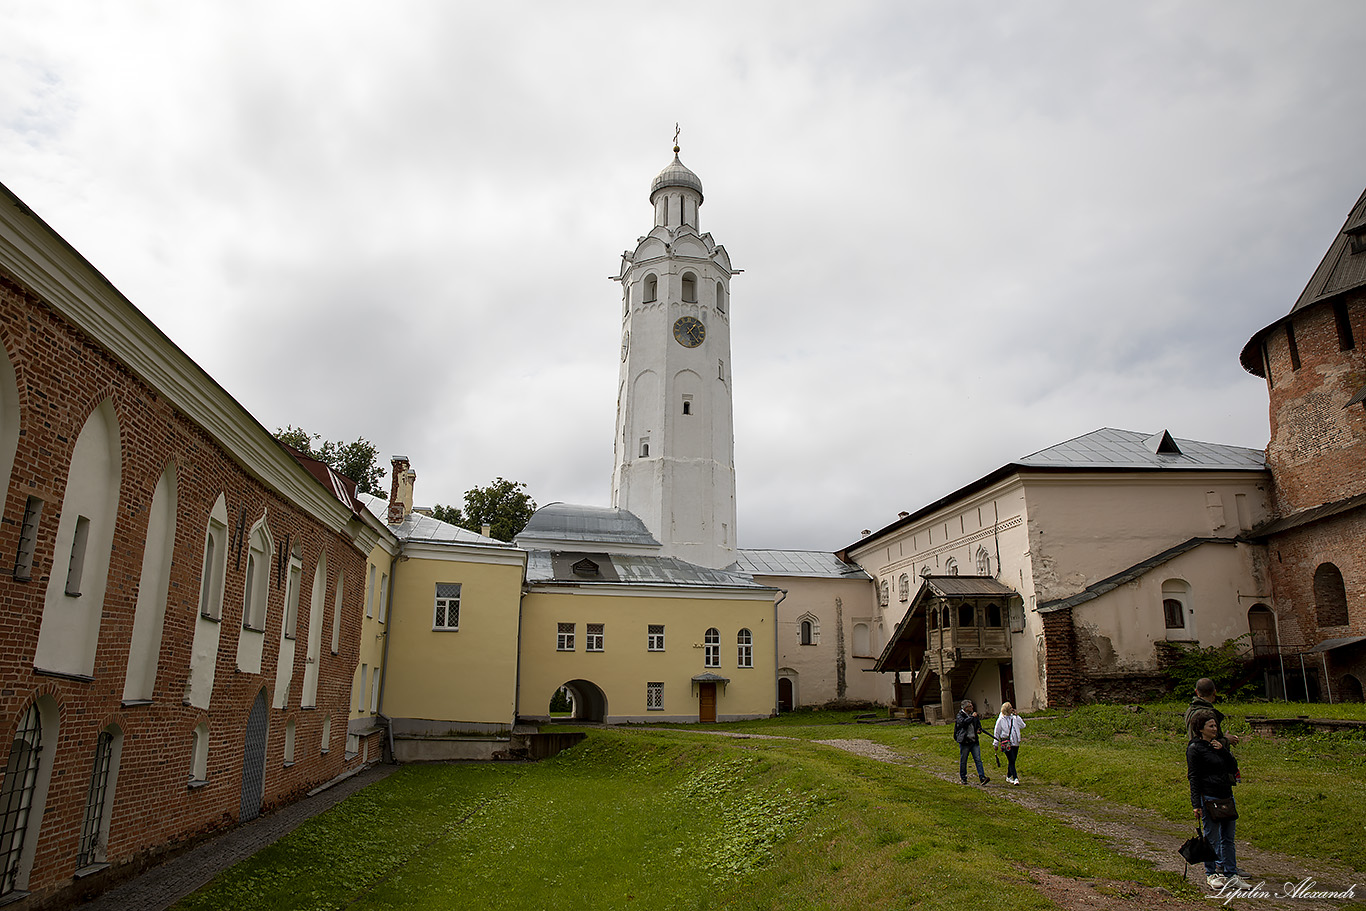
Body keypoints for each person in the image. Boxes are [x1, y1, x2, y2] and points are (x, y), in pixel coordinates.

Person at [1187, 709, 1249, 891]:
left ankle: (1231, 873)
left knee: (1228, 838)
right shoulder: (1194, 748)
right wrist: (1196, 804)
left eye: (1216, 725)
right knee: (1211, 837)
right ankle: (1211, 873)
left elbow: (1232, 766)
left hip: (1226, 794)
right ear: (1200, 728)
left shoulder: (1217, 746)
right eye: (1211, 726)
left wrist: (1223, 751)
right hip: (1208, 796)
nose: (1215, 729)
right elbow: (1193, 777)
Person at [1184, 678, 1240, 749]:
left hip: (1193, 753)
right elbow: (1211, 743)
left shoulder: (1190, 710)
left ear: (1196, 691)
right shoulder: (1207, 714)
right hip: (1206, 755)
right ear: (1214, 692)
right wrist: (1227, 740)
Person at [953, 699, 989, 785]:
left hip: (974, 741)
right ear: (965, 708)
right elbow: (963, 723)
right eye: (970, 706)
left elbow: (978, 724)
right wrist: (972, 717)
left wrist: (978, 729)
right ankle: (963, 777)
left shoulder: (973, 715)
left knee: (978, 759)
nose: (972, 707)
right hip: (965, 741)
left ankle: (982, 777)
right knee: (964, 760)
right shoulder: (960, 716)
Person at [993, 702, 1026, 785]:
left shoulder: (1014, 718)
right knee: (1011, 759)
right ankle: (1015, 778)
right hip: (1006, 742)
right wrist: (996, 743)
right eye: (1010, 708)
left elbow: (1023, 725)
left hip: (1015, 741)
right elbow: (997, 732)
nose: (1012, 709)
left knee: (1013, 760)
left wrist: (1017, 716)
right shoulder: (1001, 720)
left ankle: (1008, 776)